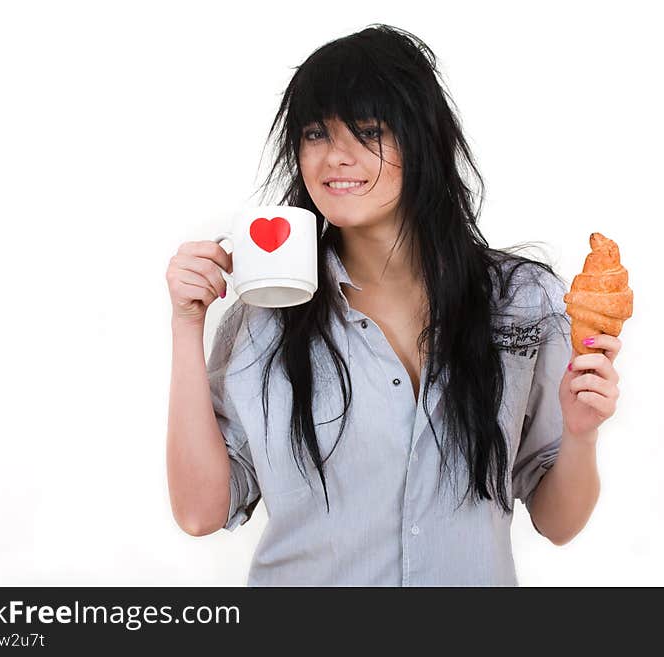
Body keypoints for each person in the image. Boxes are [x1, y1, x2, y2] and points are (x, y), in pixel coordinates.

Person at [165, 24, 623, 586]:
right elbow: (199, 512)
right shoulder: (265, 319)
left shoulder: (521, 303)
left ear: (423, 139)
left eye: (368, 131)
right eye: (315, 134)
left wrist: (581, 434)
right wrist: (186, 326)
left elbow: (558, 523)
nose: (336, 157)